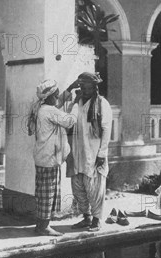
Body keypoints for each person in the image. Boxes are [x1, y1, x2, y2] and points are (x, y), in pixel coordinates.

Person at [61, 72, 112, 232]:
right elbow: (60, 109)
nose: (85, 90)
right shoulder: (76, 103)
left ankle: (97, 220)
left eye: (89, 87)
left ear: (95, 88)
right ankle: (86, 217)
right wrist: (70, 88)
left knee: (95, 188)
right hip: (76, 152)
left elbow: (106, 129)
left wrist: (102, 153)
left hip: (93, 153)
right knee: (78, 187)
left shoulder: (102, 103)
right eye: (82, 86)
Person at [28, 79, 80, 236]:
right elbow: (70, 121)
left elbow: (56, 106)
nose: (58, 97)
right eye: (56, 94)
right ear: (50, 96)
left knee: (43, 192)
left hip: (43, 157)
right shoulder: (49, 111)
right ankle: (43, 227)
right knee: (47, 193)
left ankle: (41, 225)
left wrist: (70, 87)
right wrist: (76, 104)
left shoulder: (41, 108)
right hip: (48, 158)